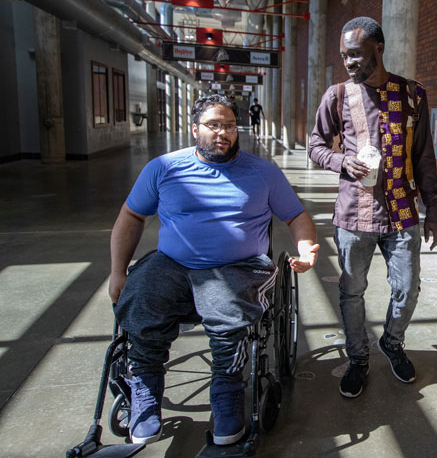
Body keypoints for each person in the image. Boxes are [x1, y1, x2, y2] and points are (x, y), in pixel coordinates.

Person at [109, 94, 319, 446]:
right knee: (141, 296)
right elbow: (131, 216)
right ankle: (145, 388)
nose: (223, 132)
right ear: (195, 129)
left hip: (240, 267)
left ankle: (226, 390)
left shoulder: (263, 172)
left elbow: (296, 216)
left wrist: (305, 249)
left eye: (229, 126)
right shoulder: (164, 168)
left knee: (227, 309)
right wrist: (117, 271)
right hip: (173, 264)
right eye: (213, 125)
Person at [309, 16, 437, 399]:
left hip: (402, 213)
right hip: (355, 215)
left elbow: (424, 157)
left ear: (378, 49)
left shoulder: (413, 95)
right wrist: (340, 162)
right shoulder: (337, 96)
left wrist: (433, 210)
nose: (348, 63)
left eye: (355, 55)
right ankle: (358, 359)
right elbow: (316, 144)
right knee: (352, 291)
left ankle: (393, 342)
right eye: (343, 56)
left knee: (407, 287)